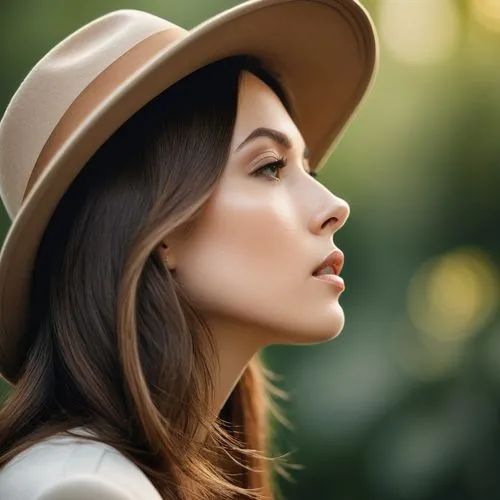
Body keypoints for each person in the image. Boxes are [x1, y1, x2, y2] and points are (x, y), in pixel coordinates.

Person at [0, 1, 378, 499]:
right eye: (270, 167)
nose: (334, 206)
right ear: (157, 232)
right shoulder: (82, 488)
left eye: (309, 170)